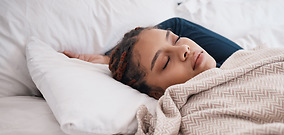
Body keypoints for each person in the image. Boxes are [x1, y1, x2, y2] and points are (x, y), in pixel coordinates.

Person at [64, 18, 242, 99]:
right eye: (165, 62)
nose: (184, 49)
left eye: (176, 39)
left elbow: (177, 24)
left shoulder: (239, 63)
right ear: (157, 94)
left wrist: (107, 58)